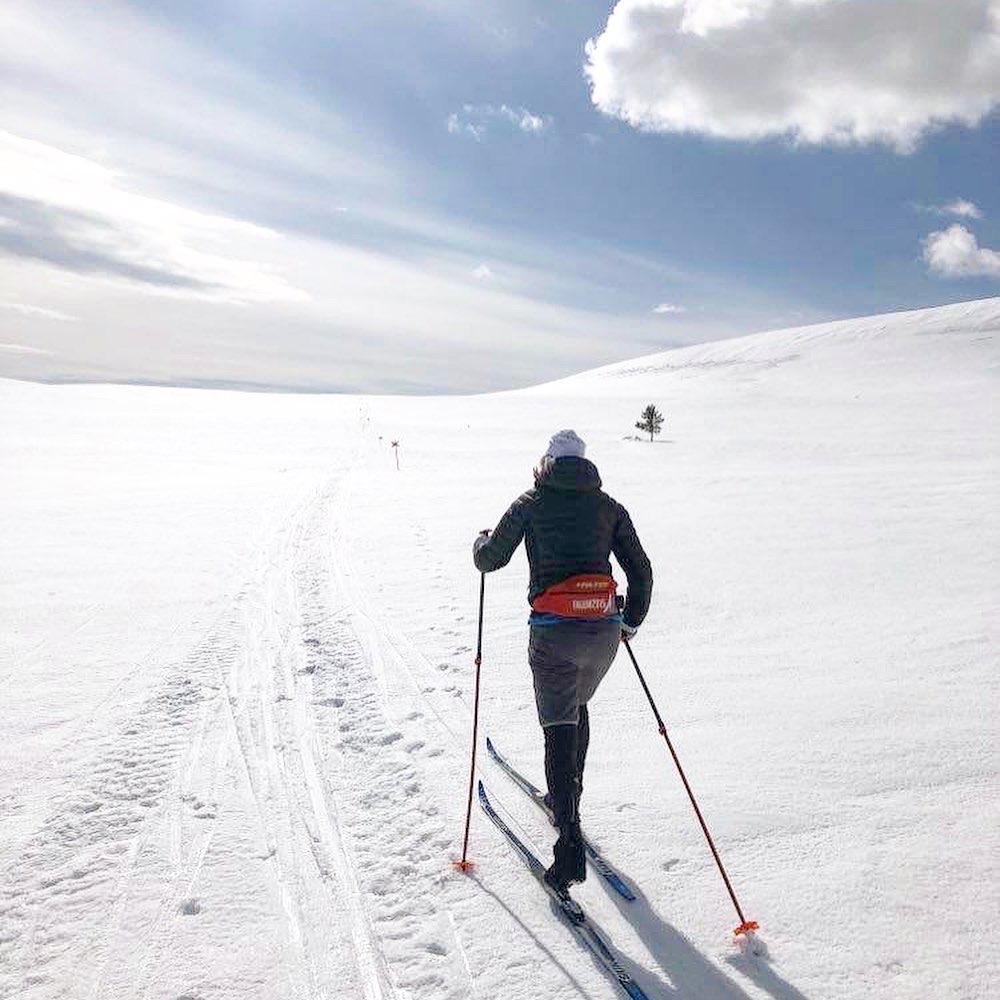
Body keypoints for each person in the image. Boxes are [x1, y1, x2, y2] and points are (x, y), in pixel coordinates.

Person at [473, 429, 653, 893]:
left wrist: (480, 543)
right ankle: (568, 796)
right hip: (603, 634)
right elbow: (641, 571)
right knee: (576, 708)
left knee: (558, 723)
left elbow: (490, 560)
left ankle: (568, 842)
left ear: (547, 462)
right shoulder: (610, 507)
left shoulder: (531, 502)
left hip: (554, 634)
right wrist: (628, 621)